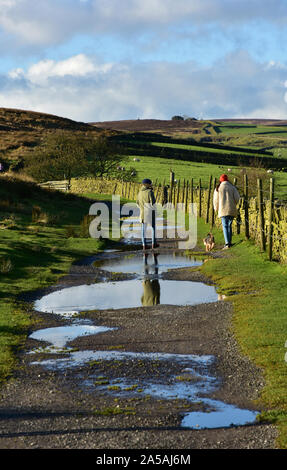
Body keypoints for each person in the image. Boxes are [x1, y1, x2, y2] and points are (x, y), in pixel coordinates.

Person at [213, 174, 240, 249]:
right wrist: (234, 204)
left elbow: (215, 200)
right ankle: (229, 242)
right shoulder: (232, 187)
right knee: (229, 225)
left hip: (222, 209)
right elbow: (237, 198)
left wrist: (216, 208)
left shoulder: (218, 188)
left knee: (225, 226)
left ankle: (227, 243)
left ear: (220, 180)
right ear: (227, 179)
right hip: (231, 209)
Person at [136, 178, 158, 250]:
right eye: (150, 183)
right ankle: (153, 244)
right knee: (153, 228)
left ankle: (144, 245)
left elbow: (137, 203)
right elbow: (153, 203)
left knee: (143, 229)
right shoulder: (150, 192)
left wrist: (142, 208)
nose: (151, 184)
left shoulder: (139, 192)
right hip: (150, 212)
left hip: (142, 213)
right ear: (147, 184)